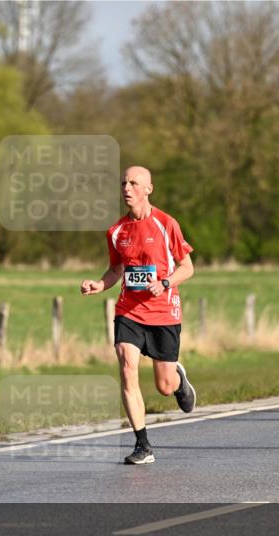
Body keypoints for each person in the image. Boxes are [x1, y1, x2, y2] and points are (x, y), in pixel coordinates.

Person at [80, 165, 196, 465]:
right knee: (126, 364)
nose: (127, 188)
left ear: (148, 189)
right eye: (123, 183)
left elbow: (188, 267)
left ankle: (179, 379)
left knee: (164, 386)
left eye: (134, 183)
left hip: (163, 313)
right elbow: (116, 270)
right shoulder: (116, 231)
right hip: (129, 311)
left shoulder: (166, 224)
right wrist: (99, 284)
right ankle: (143, 445)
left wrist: (166, 282)